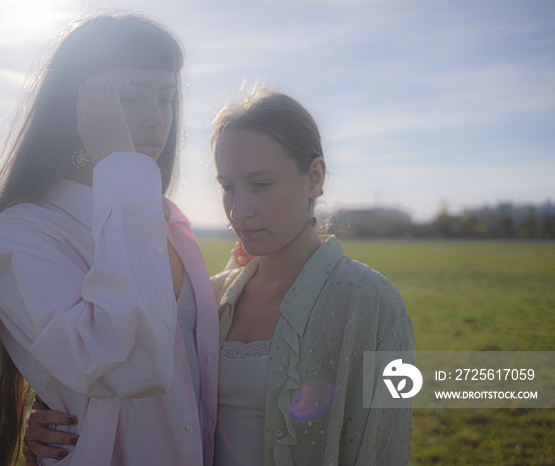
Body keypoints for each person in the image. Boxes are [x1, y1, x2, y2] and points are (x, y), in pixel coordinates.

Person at [25, 88, 416, 465]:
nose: (239, 210)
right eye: (228, 187)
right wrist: (56, 420)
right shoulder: (210, 298)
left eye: (260, 185)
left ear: (314, 177)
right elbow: (136, 393)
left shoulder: (370, 302)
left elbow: (382, 447)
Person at [0, 14, 219, 466]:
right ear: (77, 106)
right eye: (130, 97)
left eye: (167, 99)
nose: (156, 119)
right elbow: (124, 362)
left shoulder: (167, 218)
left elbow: (198, 358)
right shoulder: (20, 234)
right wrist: (116, 163)